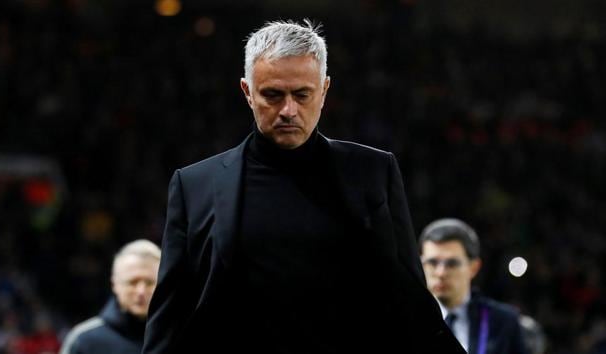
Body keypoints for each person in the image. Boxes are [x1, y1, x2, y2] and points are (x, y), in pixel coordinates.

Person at [143, 20, 465, 354]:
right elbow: (171, 314)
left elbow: (409, 297)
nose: (288, 110)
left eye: (302, 94)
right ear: (247, 92)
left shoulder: (373, 172)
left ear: (324, 91)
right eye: (272, 95)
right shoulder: (194, 185)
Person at [419, 218, 528, 354]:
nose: (440, 273)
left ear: (473, 267)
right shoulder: (406, 319)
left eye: (452, 264)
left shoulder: (504, 322)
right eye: (432, 262)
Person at [59, 239, 161, 354]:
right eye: (132, 282)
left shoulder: (179, 335)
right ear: (114, 284)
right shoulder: (84, 341)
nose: (141, 291)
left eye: (149, 283)